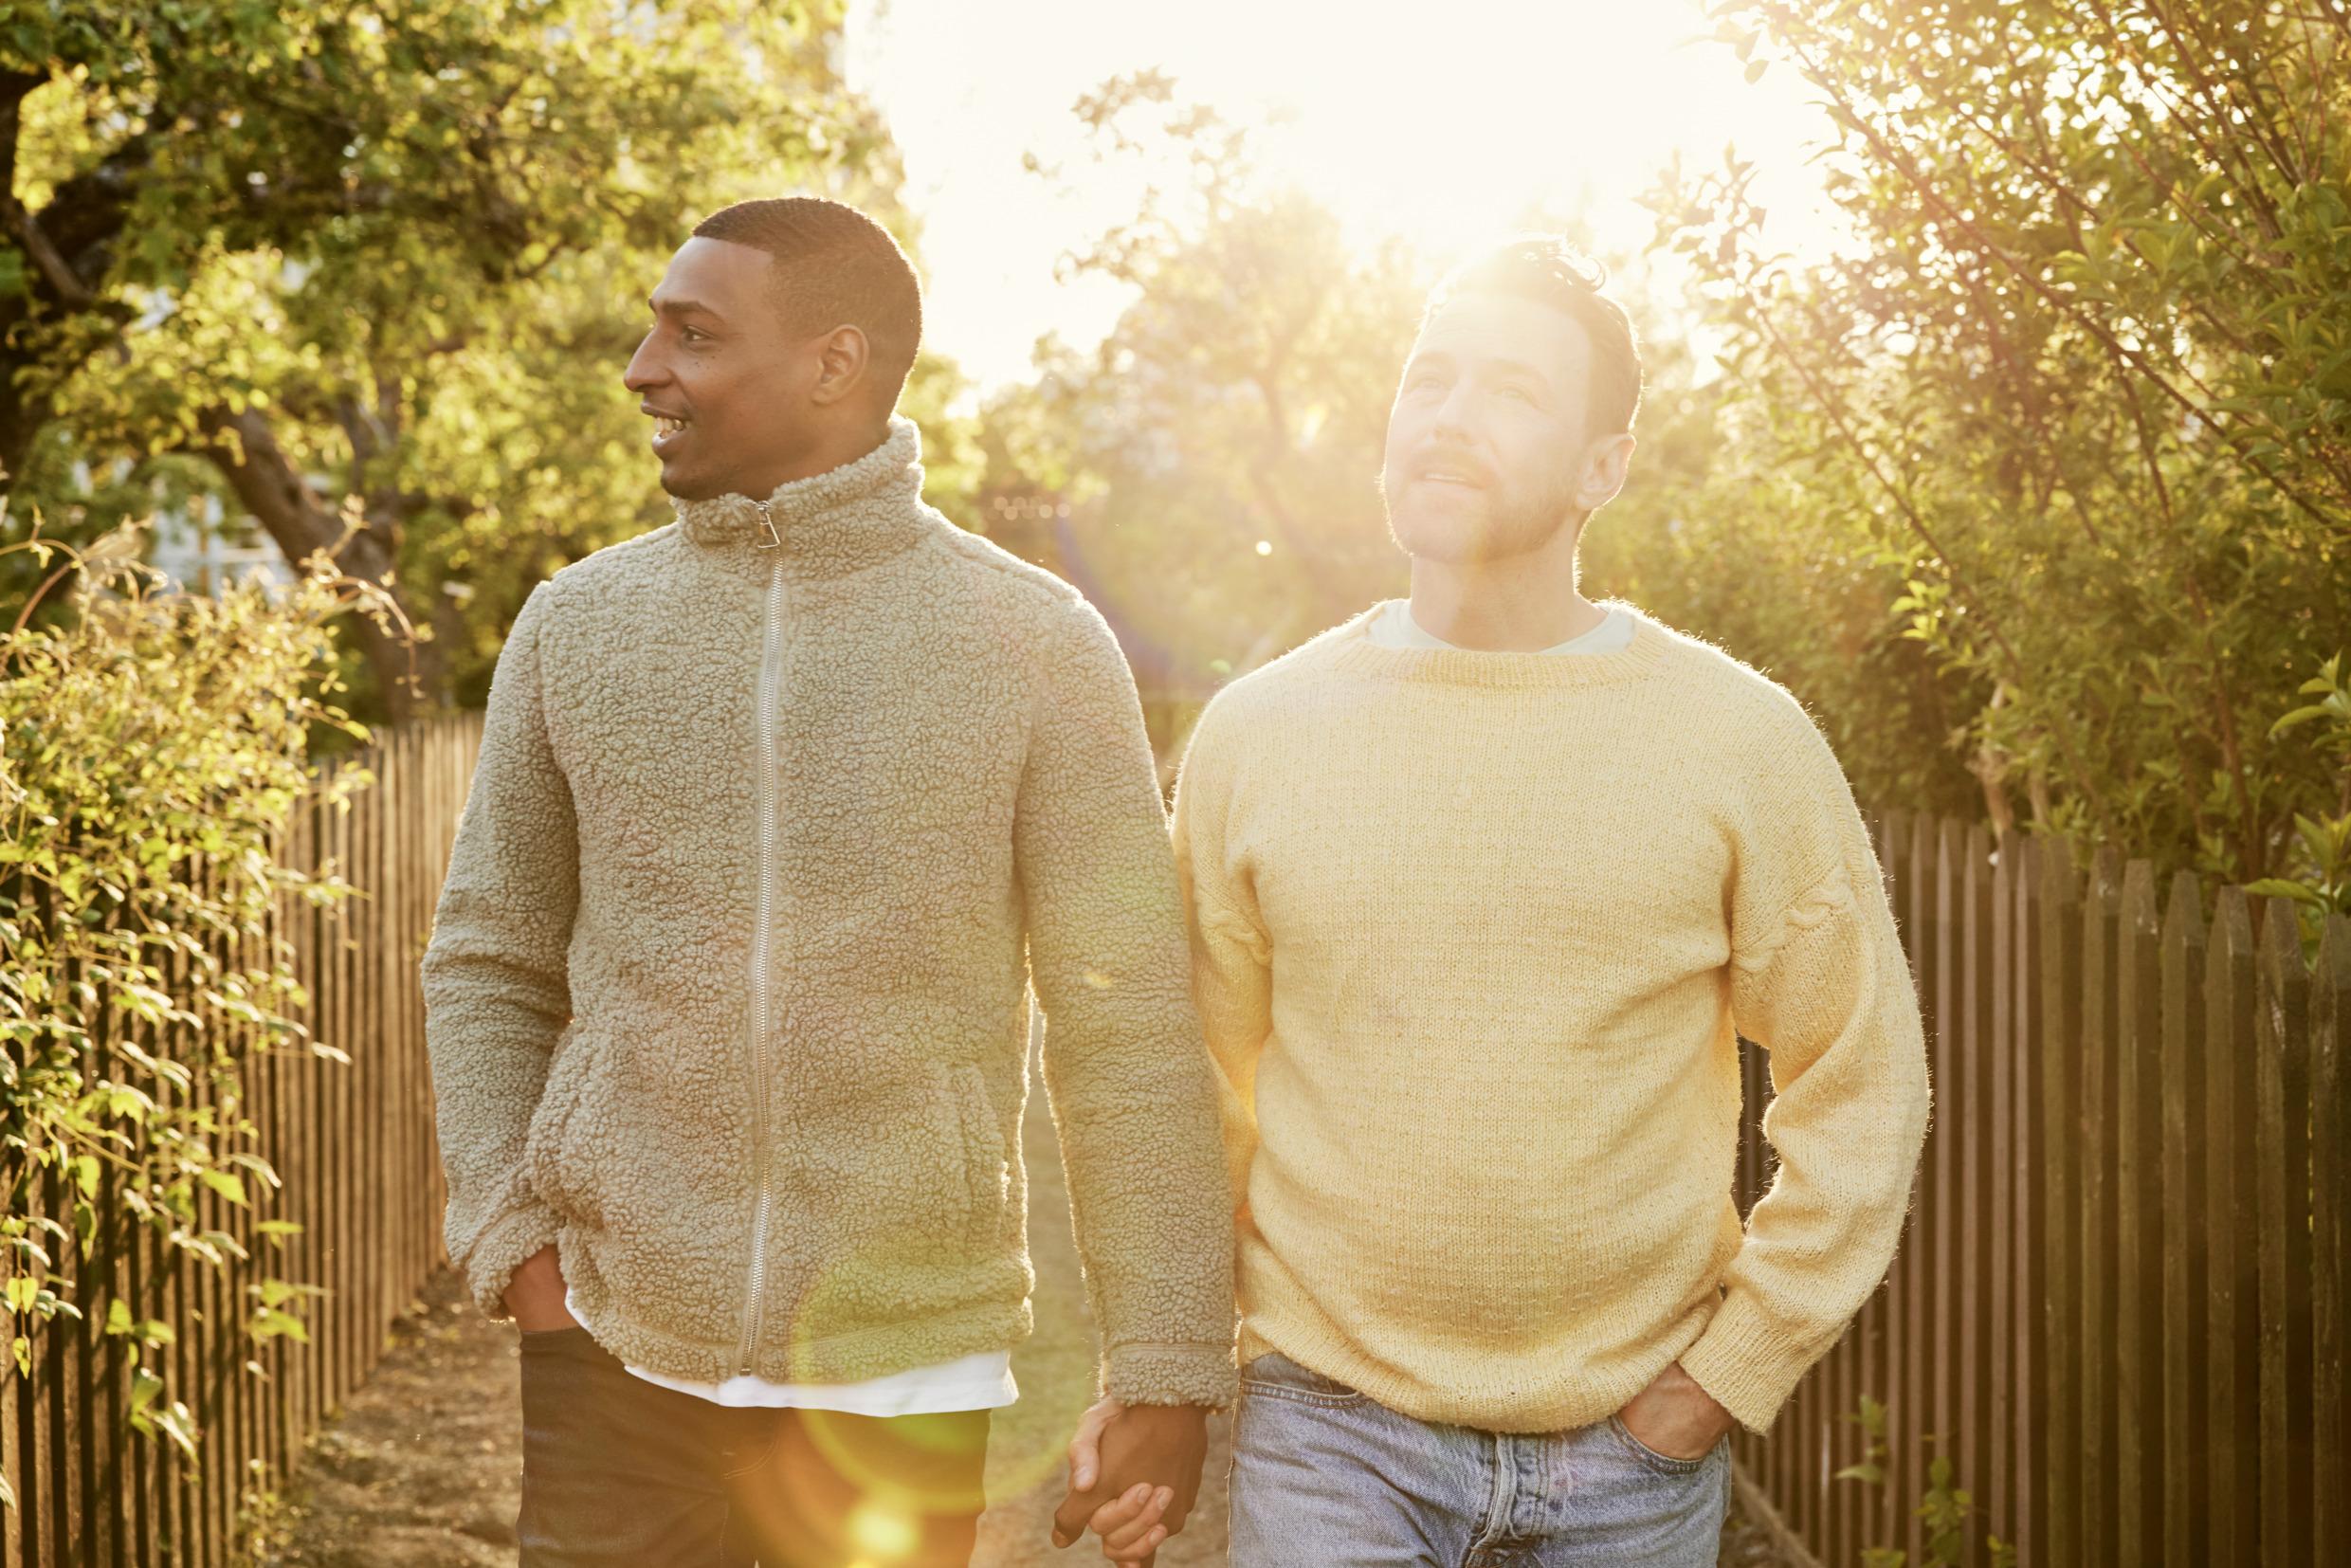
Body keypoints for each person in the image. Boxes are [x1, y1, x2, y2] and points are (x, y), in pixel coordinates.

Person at [1067, 236, 1932, 1566]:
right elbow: (1189, 1087)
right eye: (1430, 379)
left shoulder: (1737, 741)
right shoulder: (1260, 733)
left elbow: (1862, 1079)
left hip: (1630, 1468)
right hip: (1330, 1435)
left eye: (1513, 391)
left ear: (1604, 466)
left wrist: (1724, 1375)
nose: (1451, 415)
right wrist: (1166, 1368)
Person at [421, 196, 1234, 1568]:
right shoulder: (577, 627)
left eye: (692, 334)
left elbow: (1128, 1026)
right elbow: (488, 958)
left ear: (833, 363)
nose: (643, 369)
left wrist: (1164, 1363)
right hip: (615, 1353)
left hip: (900, 1380)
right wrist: (517, 1243)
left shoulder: (1035, 643)